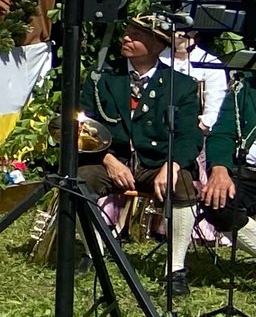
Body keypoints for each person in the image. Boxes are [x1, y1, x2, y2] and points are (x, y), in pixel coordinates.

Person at [81, 15, 201, 297]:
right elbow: (81, 125)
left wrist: (171, 165)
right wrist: (107, 159)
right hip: (109, 159)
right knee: (79, 181)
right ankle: (94, 253)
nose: (126, 38)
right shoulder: (102, 78)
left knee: (182, 183)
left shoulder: (180, 85)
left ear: (156, 46)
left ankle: (176, 268)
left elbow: (189, 136)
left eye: (136, 35)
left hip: (154, 163)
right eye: (127, 32)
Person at [200, 68, 256, 258]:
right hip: (249, 173)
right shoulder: (245, 88)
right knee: (218, 202)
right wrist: (219, 170)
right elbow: (222, 133)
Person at [165, 24, 227, 133]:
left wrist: (203, 125)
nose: (181, 35)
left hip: (193, 129)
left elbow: (216, 102)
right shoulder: (158, 57)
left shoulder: (211, 63)